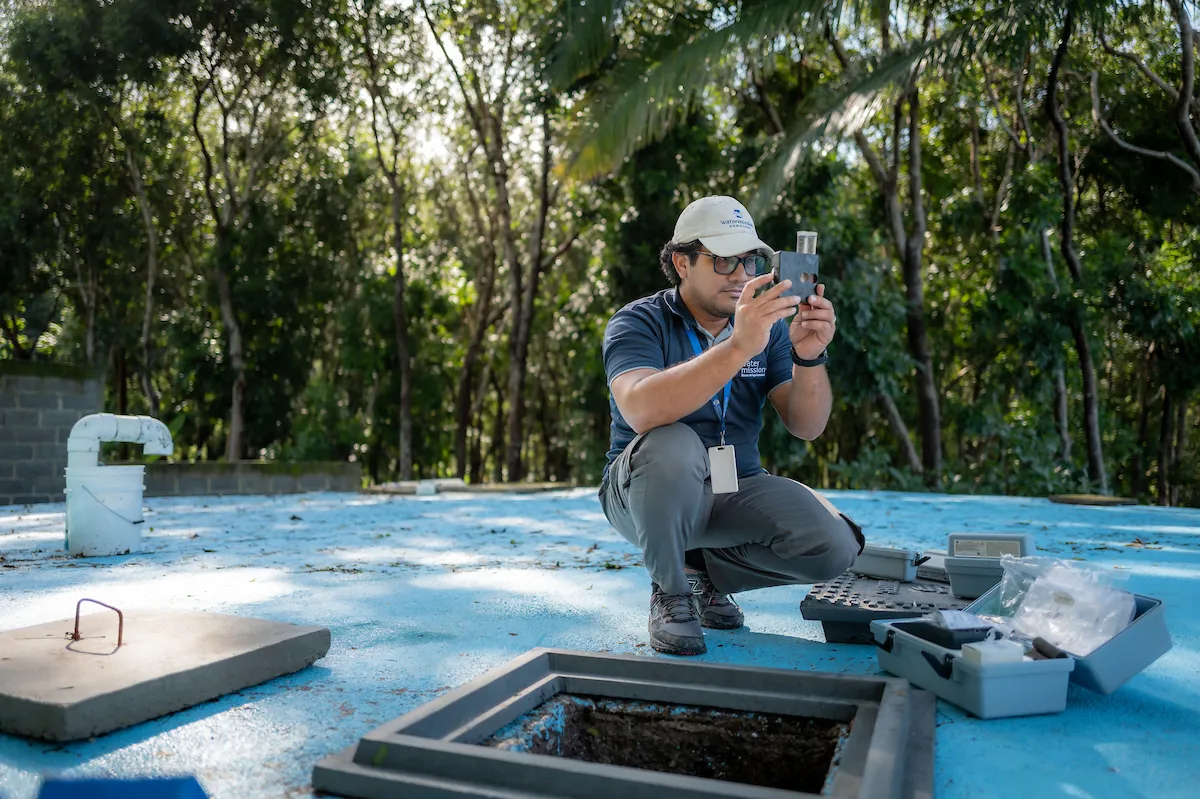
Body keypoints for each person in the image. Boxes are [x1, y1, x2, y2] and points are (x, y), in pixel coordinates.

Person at [599, 195, 866, 655]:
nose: (741, 274)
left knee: (834, 544)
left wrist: (809, 354)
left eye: (748, 260)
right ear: (683, 262)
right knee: (673, 444)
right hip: (646, 495)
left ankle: (703, 577)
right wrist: (738, 347)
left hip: (732, 490)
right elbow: (639, 410)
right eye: (723, 260)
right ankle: (670, 591)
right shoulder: (639, 321)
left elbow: (807, 425)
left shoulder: (770, 330)